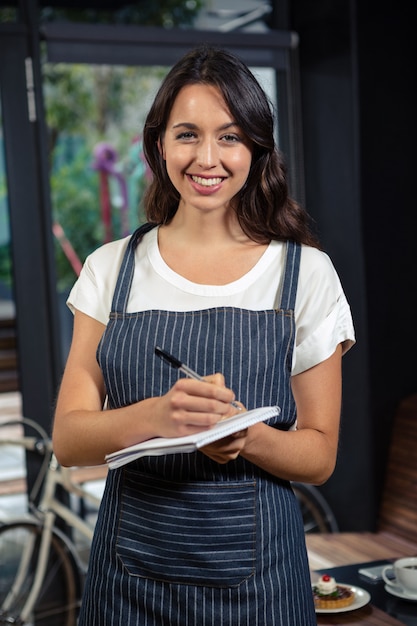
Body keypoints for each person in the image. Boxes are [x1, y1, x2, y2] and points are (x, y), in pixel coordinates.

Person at [52, 45, 355, 626]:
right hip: (127, 586)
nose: (207, 158)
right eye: (187, 134)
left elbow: (318, 456)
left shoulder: (305, 273)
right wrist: (161, 417)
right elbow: (69, 440)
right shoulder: (111, 269)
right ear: (159, 144)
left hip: (262, 588)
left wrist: (244, 437)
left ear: (256, 149)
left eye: (230, 137)